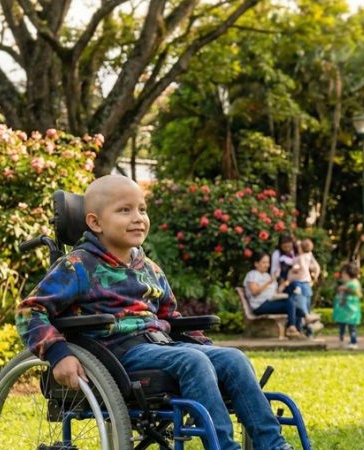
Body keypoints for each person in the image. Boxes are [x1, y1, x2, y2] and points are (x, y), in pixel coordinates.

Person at [15, 175, 291, 450]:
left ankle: (274, 445)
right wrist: (58, 353)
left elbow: (172, 317)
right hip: (115, 352)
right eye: (125, 210)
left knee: (233, 359)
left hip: (161, 345)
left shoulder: (149, 267)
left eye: (142, 209)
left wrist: (205, 347)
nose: (138, 218)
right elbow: (30, 311)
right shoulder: (78, 265)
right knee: (193, 361)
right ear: (95, 222)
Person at [244, 251, 307, 340]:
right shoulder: (252, 275)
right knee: (289, 303)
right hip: (260, 306)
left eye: (268, 262)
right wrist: (269, 282)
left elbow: (275, 292)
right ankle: (291, 328)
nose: (267, 265)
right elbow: (254, 292)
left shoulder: (267, 275)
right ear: (256, 263)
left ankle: (297, 331)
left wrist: (283, 285)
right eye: (264, 262)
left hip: (270, 302)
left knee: (297, 308)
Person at [333, 262, 362, 350]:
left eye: (344, 274)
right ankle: (341, 341)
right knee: (342, 326)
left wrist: (345, 288)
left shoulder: (354, 283)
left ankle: (353, 341)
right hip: (343, 311)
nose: (342, 276)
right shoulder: (346, 283)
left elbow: (357, 292)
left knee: (351, 327)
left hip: (350, 310)